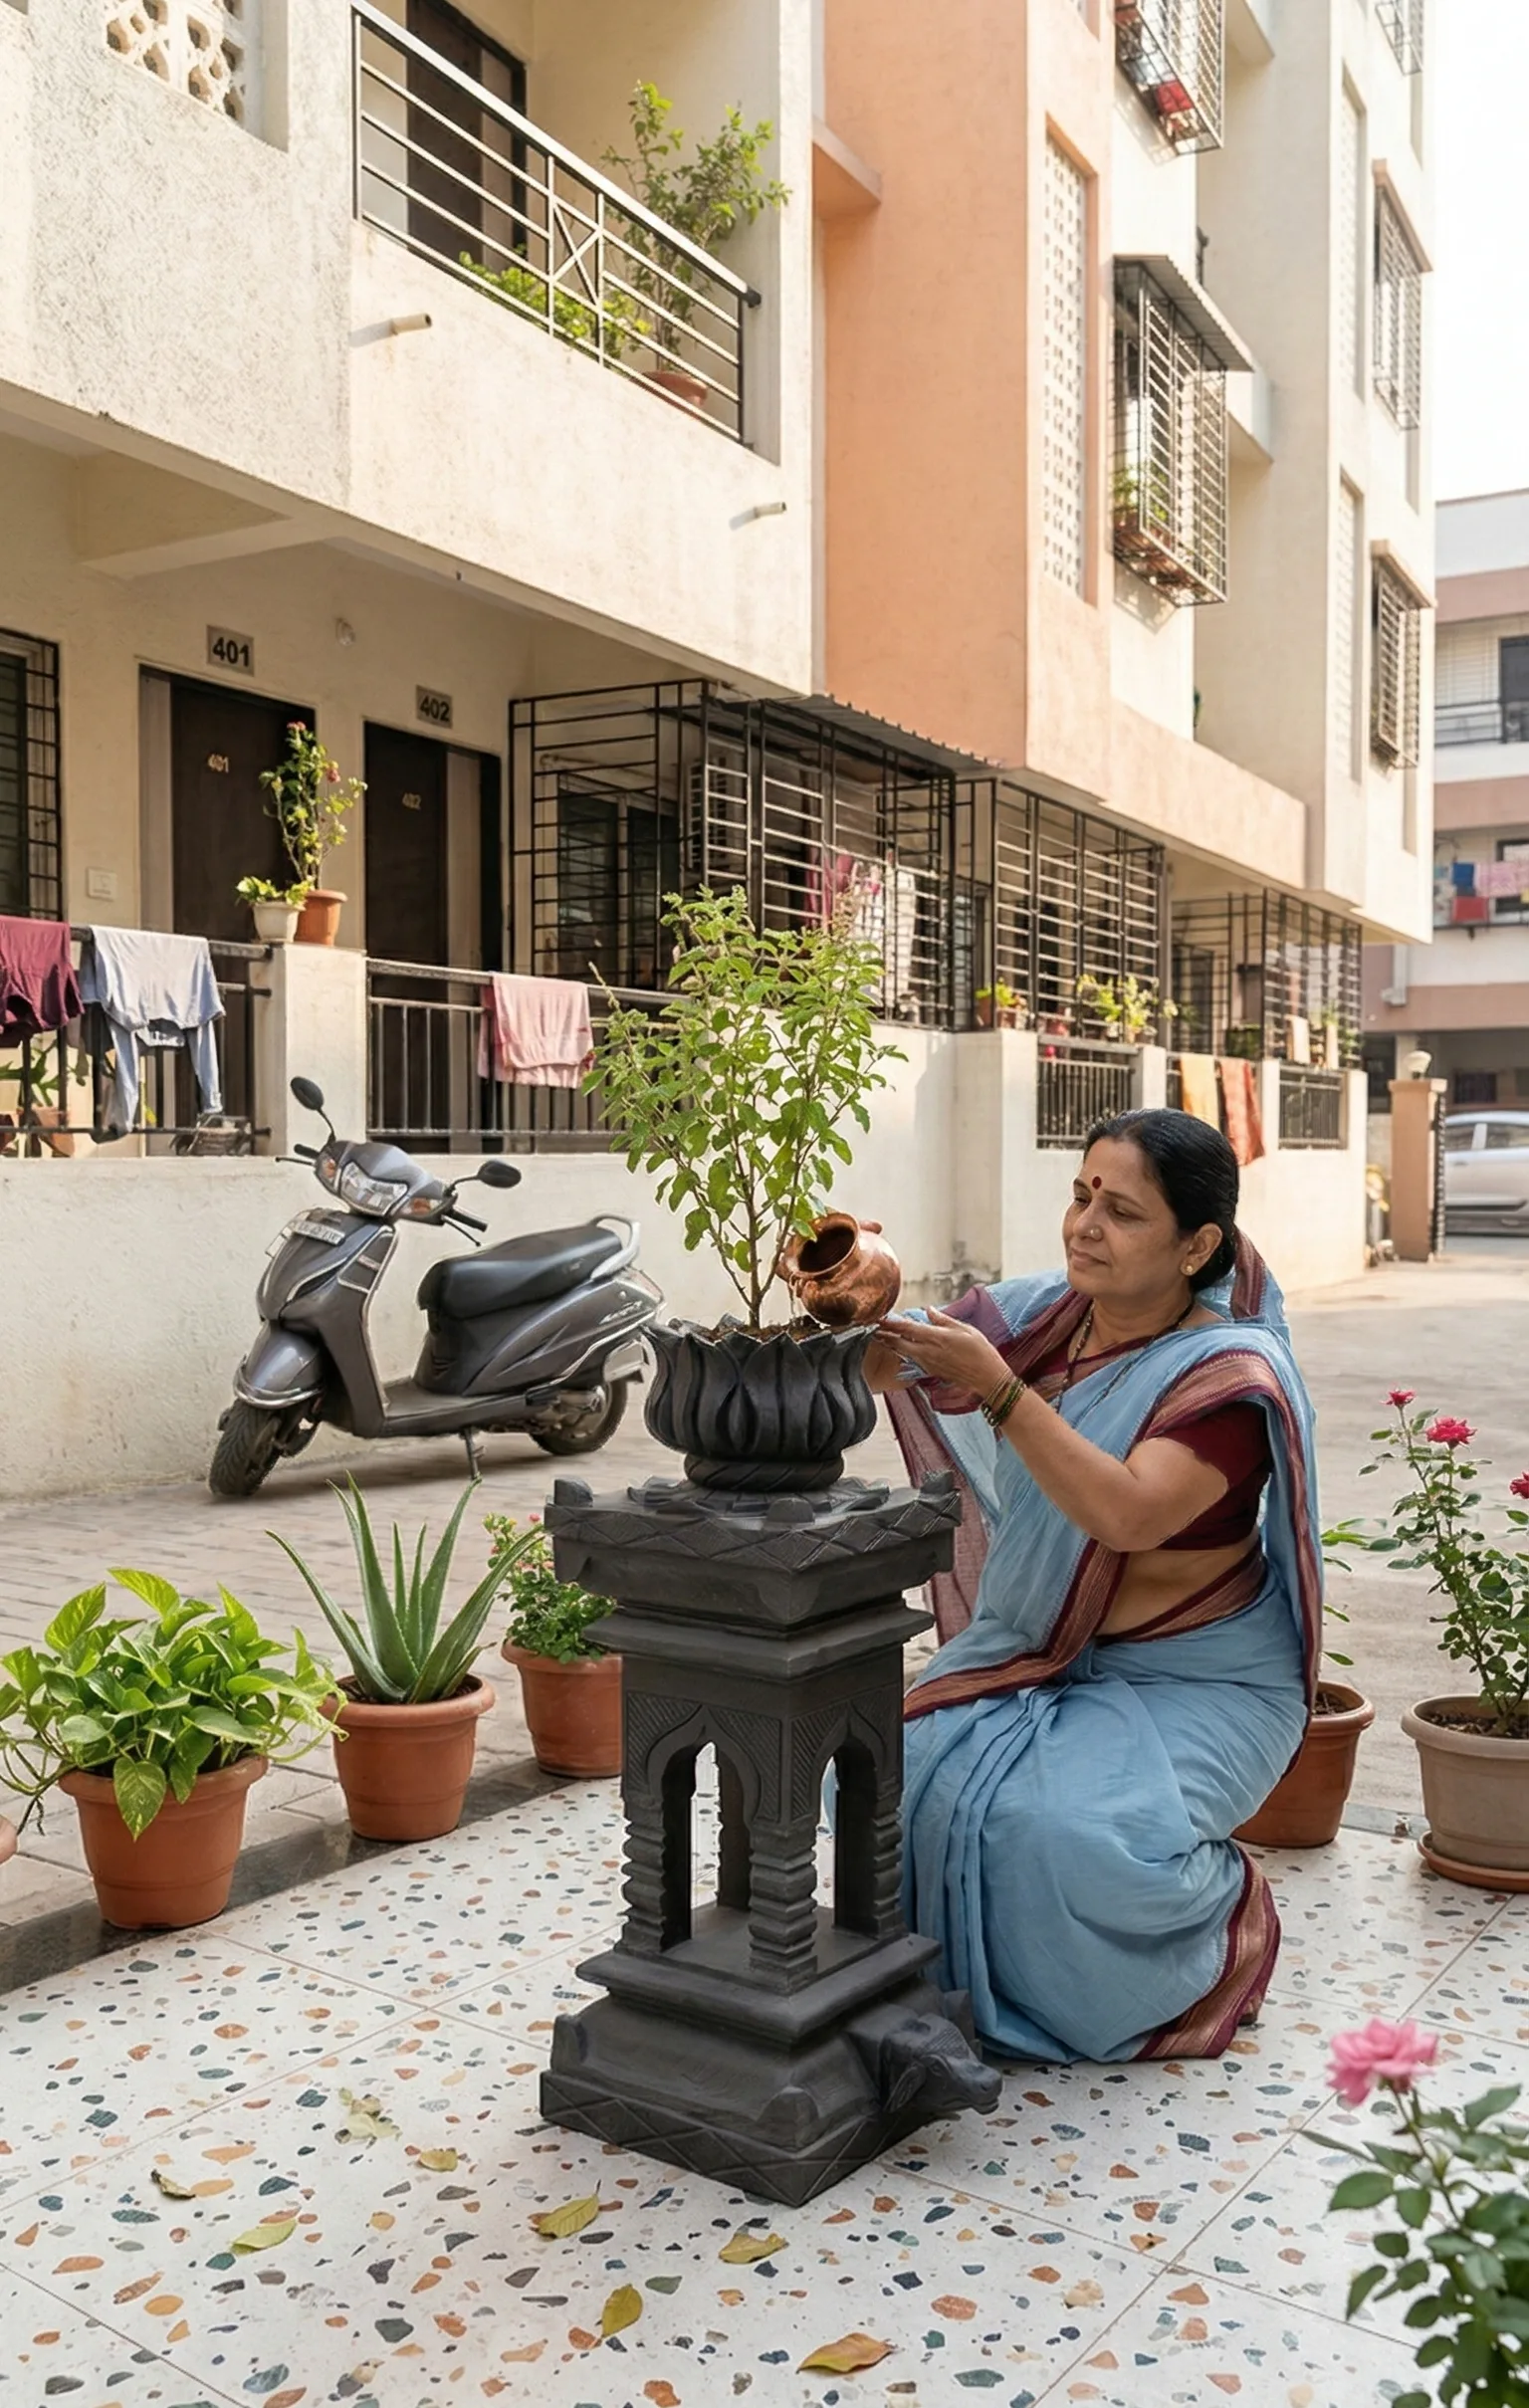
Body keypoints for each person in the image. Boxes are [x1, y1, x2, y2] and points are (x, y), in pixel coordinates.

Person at [866, 1107, 1322, 2066]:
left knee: (1067, 1837)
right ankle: (968, 1978)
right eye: (1081, 1196)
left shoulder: (1227, 1376)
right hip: (1043, 1656)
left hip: (1203, 1683)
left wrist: (1000, 1390)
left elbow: (1127, 1514)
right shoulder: (1041, 1316)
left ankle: (1216, 1927)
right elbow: (888, 1358)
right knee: (879, 1784)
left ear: (1198, 1244)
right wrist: (854, 1302)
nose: (1084, 1225)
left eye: (1121, 1211)